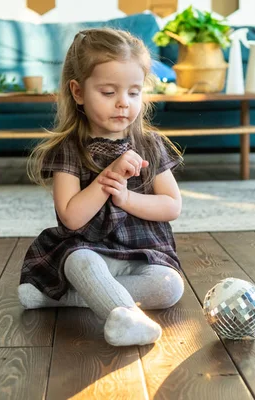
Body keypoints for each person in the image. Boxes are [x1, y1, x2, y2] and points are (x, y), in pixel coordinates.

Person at [17, 28, 185, 347]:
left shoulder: (149, 145)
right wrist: (106, 179)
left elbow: (171, 206)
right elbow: (71, 217)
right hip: (89, 252)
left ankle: (61, 297)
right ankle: (121, 316)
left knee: (170, 287)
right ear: (78, 92)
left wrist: (126, 198)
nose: (123, 103)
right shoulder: (69, 148)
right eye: (109, 92)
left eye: (134, 93)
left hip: (140, 255)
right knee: (81, 261)